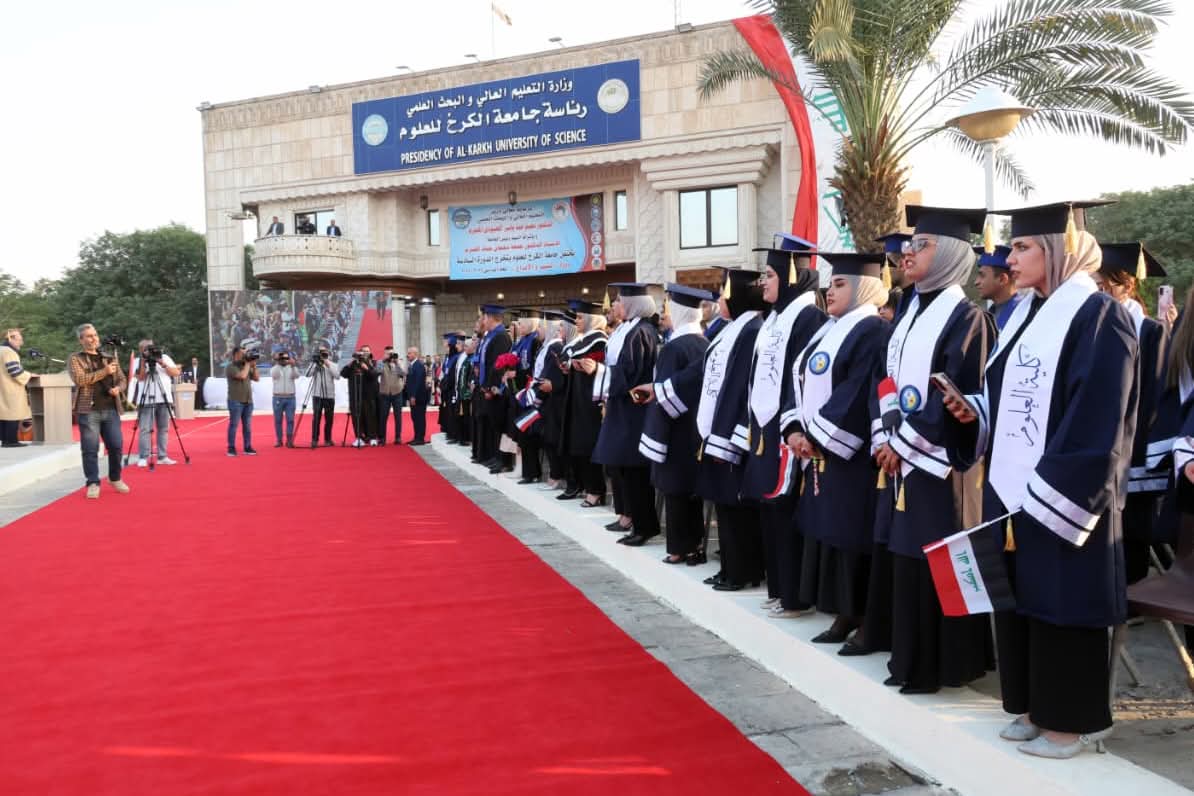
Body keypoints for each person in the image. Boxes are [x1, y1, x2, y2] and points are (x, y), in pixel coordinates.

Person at [945, 200, 1136, 758]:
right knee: (1023, 598)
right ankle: (1032, 708)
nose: (1010, 257)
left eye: (1023, 247)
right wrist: (973, 413)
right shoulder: (1028, 315)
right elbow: (1012, 399)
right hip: (1013, 487)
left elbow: (1100, 415)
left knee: (1062, 600)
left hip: (1066, 492)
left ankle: (1069, 724)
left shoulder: (1099, 315)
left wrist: (1053, 488)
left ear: (1060, 248)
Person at [873, 205, 994, 694]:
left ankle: (946, 664)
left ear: (949, 255)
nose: (908, 253)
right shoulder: (907, 314)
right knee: (907, 556)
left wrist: (903, 444)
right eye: (909, 245)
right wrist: (885, 436)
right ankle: (910, 660)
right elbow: (886, 380)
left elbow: (955, 395)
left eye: (921, 246)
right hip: (902, 456)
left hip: (942, 464)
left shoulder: (968, 319)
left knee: (938, 556)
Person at [785, 252, 890, 643]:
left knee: (851, 534)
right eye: (829, 285)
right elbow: (797, 379)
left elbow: (858, 390)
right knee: (829, 531)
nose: (830, 291)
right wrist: (793, 429)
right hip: (818, 449)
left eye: (840, 284)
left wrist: (815, 436)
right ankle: (841, 612)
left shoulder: (873, 331)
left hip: (851, 455)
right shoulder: (828, 330)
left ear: (865, 288)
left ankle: (860, 616)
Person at [743, 237, 828, 617]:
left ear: (792, 277)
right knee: (769, 508)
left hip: (790, 431)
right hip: (766, 428)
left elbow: (801, 379)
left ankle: (795, 595)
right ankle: (779, 588)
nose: (763, 282)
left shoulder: (809, 319)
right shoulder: (773, 320)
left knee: (786, 509)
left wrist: (792, 425)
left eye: (770, 275)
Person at [1094, 242, 1169, 585]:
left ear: (1127, 284)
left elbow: (1154, 395)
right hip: (1100, 442)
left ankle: (1131, 596)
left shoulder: (1150, 331)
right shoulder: (1094, 325)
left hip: (1135, 447)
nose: (1099, 292)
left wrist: (1133, 446)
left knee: (1131, 532)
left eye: (1104, 285)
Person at [696, 268, 768, 591]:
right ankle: (729, 566)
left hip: (733, 432)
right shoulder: (734, 329)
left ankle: (742, 571)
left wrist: (727, 437)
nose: (721, 299)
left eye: (725, 293)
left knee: (736, 506)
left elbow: (740, 387)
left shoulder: (751, 330)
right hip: (719, 426)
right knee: (724, 504)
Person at [637, 285, 713, 563]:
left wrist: (656, 407)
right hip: (699, 425)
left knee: (675, 488)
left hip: (675, 426)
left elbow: (665, 393)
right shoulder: (705, 343)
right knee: (692, 489)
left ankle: (680, 548)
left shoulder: (673, 348)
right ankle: (695, 545)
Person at [593, 283, 662, 545]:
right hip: (622, 406)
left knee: (635, 470)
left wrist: (598, 373)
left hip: (635, 409)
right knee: (623, 467)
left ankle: (644, 526)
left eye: (620, 301)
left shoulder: (641, 332)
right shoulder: (626, 329)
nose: (615, 306)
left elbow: (632, 372)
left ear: (633, 304)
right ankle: (630, 517)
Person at [68, 324, 131, 498]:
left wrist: (118, 388)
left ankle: (115, 477)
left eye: (95, 335)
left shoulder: (109, 357)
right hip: (88, 409)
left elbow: (122, 379)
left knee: (116, 446)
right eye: (89, 336)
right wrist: (104, 372)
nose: (93, 338)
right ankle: (93, 482)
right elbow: (80, 380)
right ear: (81, 340)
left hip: (111, 408)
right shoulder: (75, 358)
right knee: (90, 449)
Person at [557, 299, 608, 503]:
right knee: (576, 445)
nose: (576, 321)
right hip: (576, 398)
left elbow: (599, 365)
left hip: (589, 401)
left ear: (591, 319)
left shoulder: (600, 340)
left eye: (579, 317)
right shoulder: (581, 340)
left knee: (588, 445)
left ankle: (595, 490)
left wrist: (582, 365)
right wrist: (567, 366)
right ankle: (582, 485)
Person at [131, 338, 182, 466]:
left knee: (163, 428)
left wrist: (162, 363)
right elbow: (140, 377)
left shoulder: (164, 357)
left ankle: (162, 456)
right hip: (146, 400)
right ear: (140, 350)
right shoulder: (138, 361)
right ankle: (143, 457)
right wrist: (143, 361)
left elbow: (176, 372)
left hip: (164, 399)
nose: (148, 350)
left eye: (150, 347)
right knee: (145, 429)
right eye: (145, 348)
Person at [507, 311, 544, 480]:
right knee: (521, 433)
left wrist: (517, 374)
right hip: (519, 392)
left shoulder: (534, 341)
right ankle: (524, 469)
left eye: (521, 323)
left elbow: (533, 369)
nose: (519, 326)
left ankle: (532, 472)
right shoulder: (522, 341)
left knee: (528, 434)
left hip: (529, 393)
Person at [476, 304, 513, 468]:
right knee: (494, 424)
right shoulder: (490, 336)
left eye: (484, 317)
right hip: (488, 387)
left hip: (497, 390)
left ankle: (503, 460)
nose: (483, 321)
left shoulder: (501, 336)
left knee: (500, 423)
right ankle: (495, 456)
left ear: (491, 318)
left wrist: (491, 387)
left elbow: (498, 365)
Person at [973, 245, 1020, 330]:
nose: (976, 282)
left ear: (1002, 279)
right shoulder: (988, 314)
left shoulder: (1022, 314)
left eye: (982, 275)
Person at [341, 346, 380, 446]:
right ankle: (359, 438)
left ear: (370, 353)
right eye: (363, 351)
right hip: (355, 396)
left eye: (367, 351)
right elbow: (343, 374)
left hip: (368, 396)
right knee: (356, 418)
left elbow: (374, 375)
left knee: (370, 416)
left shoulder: (372, 363)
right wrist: (351, 363)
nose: (365, 353)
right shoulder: (353, 364)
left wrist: (366, 367)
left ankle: (372, 437)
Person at [225, 346, 260, 456]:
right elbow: (242, 376)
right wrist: (248, 364)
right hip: (235, 400)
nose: (245, 355)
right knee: (234, 425)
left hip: (248, 401)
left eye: (246, 353)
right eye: (243, 353)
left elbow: (256, 378)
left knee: (247, 426)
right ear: (236, 354)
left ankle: (247, 447)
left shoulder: (245, 365)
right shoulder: (231, 367)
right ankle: (231, 447)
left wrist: (254, 366)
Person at [1, 328, 32, 447]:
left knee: (3, 414)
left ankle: (5, 440)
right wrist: (29, 375)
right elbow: (15, 372)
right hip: (10, 388)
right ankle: (11, 441)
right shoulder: (9, 352)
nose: (21, 342)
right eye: (19, 339)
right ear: (11, 339)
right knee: (12, 414)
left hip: (2, 388)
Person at [378, 345, 407, 445]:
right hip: (385, 393)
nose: (390, 355)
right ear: (385, 354)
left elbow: (403, 373)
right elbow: (377, 372)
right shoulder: (381, 363)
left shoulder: (399, 362)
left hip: (397, 392)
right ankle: (382, 438)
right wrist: (384, 360)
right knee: (383, 416)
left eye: (391, 353)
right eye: (388, 354)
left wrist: (397, 363)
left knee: (398, 416)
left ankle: (398, 437)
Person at [309, 347, 338, 447]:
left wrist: (327, 364)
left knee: (329, 419)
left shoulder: (333, 364)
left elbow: (337, 376)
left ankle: (328, 439)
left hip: (329, 395)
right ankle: (314, 439)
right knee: (316, 418)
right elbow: (307, 374)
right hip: (317, 395)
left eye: (325, 353)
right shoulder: (315, 364)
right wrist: (315, 364)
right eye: (321, 353)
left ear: (328, 353)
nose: (323, 355)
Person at [270, 351, 299, 448]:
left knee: (290, 420)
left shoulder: (292, 368)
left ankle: (289, 440)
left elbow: (296, 376)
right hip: (278, 397)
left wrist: (293, 366)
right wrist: (277, 362)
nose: (284, 360)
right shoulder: (275, 368)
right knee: (278, 420)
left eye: (287, 358)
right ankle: (279, 440)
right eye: (282, 358)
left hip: (290, 397)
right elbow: (274, 375)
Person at [439, 334, 462, 442]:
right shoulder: (448, 358)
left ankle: (453, 434)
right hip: (446, 389)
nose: (446, 349)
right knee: (448, 412)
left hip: (452, 389)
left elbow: (452, 376)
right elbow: (445, 373)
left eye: (448, 347)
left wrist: (445, 385)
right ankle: (449, 431)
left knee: (453, 412)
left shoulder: (456, 358)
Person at [406, 346, 430, 445]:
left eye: (409, 353)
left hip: (418, 397)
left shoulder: (418, 365)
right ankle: (416, 437)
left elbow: (418, 382)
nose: (407, 355)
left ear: (415, 354)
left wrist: (413, 396)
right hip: (414, 396)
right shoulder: (412, 365)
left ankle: (420, 438)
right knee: (415, 417)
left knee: (419, 418)